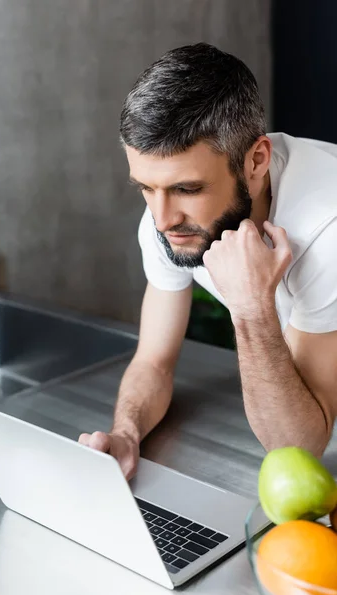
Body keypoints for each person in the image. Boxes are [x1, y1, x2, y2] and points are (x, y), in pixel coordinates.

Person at [79, 43, 337, 480]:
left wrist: (252, 307)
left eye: (188, 189)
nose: (161, 219)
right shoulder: (171, 216)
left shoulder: (326, 228)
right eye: (145, 187)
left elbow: (300, 446)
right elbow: (153, 361)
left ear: (256, 161)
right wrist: (127, 432)